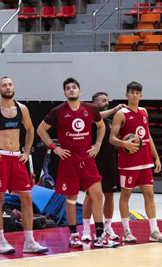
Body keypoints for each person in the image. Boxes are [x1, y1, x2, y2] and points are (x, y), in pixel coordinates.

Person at [0, 76, 48, 254]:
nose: (8, 87)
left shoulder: (22, 108)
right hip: (0, 158)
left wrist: (27, 151)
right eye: (4, 85)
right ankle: (1, 241)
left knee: (27, 198)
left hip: (17, 158)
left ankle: (29, 241)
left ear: (14, 87)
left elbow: (30, 130)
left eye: (10, 84)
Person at [37, 78, 119, 249]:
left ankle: (99, 235)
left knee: (97, 194)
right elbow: (40, 130)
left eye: (74, 87)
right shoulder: (58, 111)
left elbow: (101, 126)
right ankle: (74, 235)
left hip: (87, 157)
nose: (71, 90)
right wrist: (54, 148)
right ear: (64, 93)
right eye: (68, 88)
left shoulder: (90, 108)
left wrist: (97, 145)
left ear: (80, 91)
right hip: (68, 159)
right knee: (71, 198)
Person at [109, 81, 162, 243]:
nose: (134, 95)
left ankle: (154, 231)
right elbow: (112, 138)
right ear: (126, 94)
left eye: (137, 93)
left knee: (149, 195)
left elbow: (147, 136)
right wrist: (124, 144)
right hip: (128, 163)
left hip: (145, 162)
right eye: (131, 92)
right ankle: (127, 231)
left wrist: (156, 157)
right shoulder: (121, 114)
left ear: (141, 95)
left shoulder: (144, 112)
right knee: (125, 195)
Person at [82, 92, 126, 241]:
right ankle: (87, 229)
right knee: (90, 195)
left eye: (107, 100)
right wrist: (114, 110)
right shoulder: (90, 116)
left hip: (110, 160)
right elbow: (97, 117)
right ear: (94, 103)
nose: (106, 102)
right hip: (94, 161)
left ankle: (107, 227)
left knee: (110, 194)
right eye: (102, 100)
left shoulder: (110, 121)